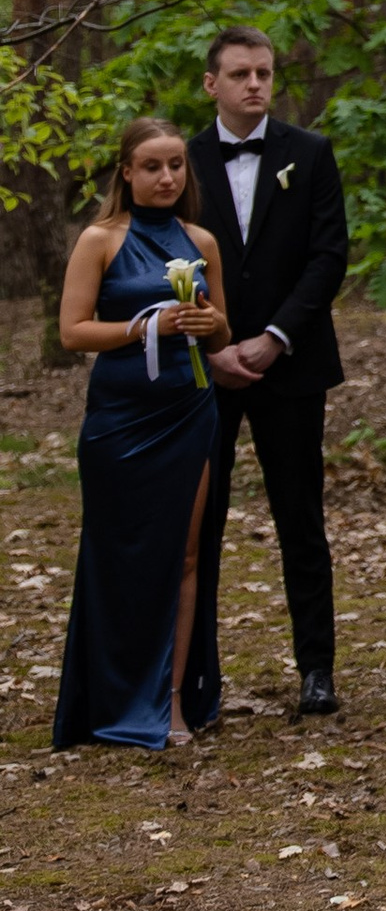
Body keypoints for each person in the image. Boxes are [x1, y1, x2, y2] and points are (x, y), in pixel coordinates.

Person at [189, 27, 352, 719]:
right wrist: (214, 346)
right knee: (202, 519)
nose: (255, 84)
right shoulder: (184, 159)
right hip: (205, 367)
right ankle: (198, 670)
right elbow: (168, 257)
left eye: (264, 72)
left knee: (300, 516)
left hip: (291, 362)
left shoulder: (309, 154)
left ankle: (317, 668)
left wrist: (275, 338)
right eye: (240, 74)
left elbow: (328, 255)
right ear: (211, 84)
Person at [53, 119, 230, 749]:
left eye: (176, 165)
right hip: (120, 418)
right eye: (152, 167)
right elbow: (73, 332)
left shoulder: (201, 239)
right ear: (125, 173)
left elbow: (222, 335)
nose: (166, 178)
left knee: (183, 554)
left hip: (188, 412)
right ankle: (107, 695)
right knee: (115, 553)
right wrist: (142, 326)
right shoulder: (100, 239)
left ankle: (172, 699)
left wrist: (207, 322)